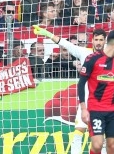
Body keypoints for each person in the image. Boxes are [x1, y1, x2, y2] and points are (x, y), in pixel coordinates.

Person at [34, 25, 107, 154]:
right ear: (92, 40)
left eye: (101, 40)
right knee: (78, 132)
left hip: (103, 101)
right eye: (96, 39)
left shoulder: (110, 55)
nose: (98, 43)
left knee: (102, 136)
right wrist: (48, 34)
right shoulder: (84, 52)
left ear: (105, 41)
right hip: (86, 101)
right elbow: (65, 44)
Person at [78, 30, 114, 154]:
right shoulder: (92, 59)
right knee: (97, 145)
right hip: (96, 109)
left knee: (112, 145)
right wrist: (83, 109)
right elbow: (81, 83)